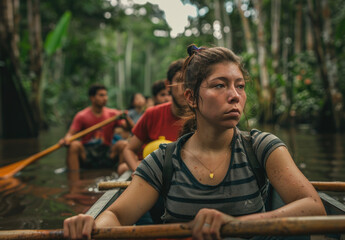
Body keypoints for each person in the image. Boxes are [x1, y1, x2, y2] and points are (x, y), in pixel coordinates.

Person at [63, 45, 326, 240]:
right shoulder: (163, 160)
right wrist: (91, 223)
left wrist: (234, 224)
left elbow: (315, 208)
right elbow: (118, 216)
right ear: (190, 97)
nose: (234, 96)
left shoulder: (263, 148)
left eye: (240, 86)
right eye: (220, 85)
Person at [121, 59, 186, 172]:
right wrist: (138, 172)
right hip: (153, 174)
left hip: (184, 175)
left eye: (190, 81)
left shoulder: (204, 116)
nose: (185, 87)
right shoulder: (153, 114)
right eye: (179, 80)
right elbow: (128, 149)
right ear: (168, 85)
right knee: (123, 168)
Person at [59, 83, 130, 171]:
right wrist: (66, 139)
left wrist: (126, 118)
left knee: (124, 144)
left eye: (106, 95)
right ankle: (74, 181)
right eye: (101, 95)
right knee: (74, 145)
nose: (105, 98)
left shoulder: (113, 114)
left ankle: (121, 173)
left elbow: (132, 129)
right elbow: (70, 134)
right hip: (87, 153)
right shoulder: (81, 116)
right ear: (92, 98)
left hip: (106, 152)